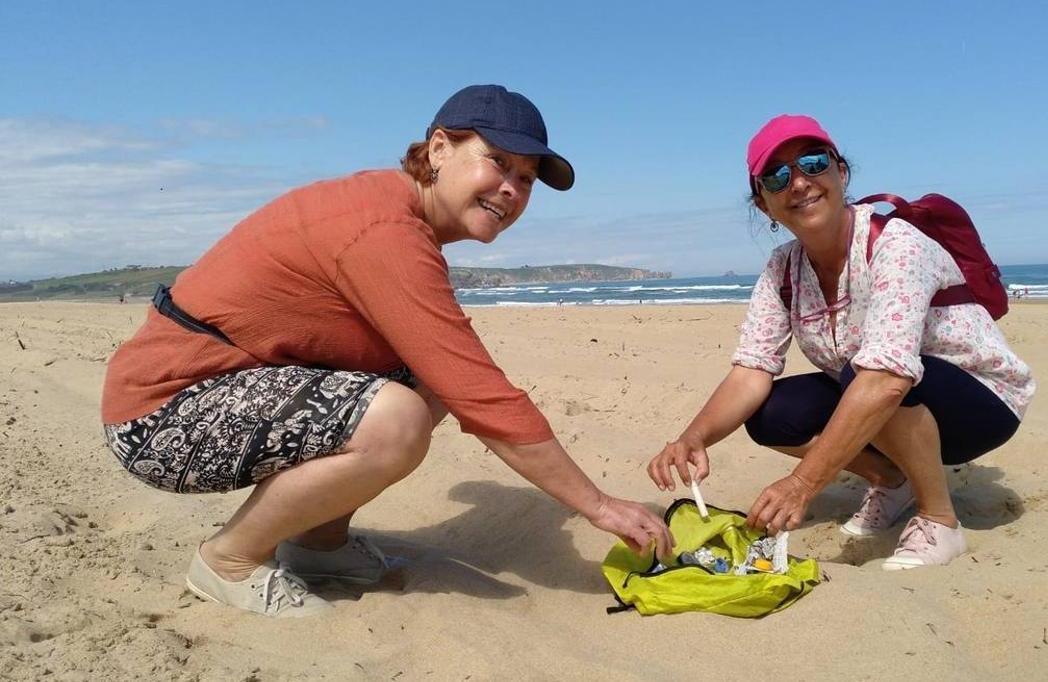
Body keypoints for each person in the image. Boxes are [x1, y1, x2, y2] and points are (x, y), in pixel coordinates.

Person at [101, 84, 674, 617]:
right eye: (499, 161)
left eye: (526, 179)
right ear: (440, 148)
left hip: (221, 393)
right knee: (397, 416)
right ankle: (229, 560)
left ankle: (318, 545)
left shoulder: (398, 219)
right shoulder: (383, 228)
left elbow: (454, 379)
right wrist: (597, 505)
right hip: (161, 417)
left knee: (422, 383)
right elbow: (482, 395)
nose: (512, 189)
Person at [647, 115, 1033, 570]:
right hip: (884, 391)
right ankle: (892, 480)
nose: (799, 183)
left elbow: (889, 377)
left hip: (981, 403)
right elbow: (752, 368)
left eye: (813, 163)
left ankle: (939, 519)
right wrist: (693, 438)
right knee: (772, 413)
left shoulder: (895, 243)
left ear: (841, 173)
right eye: (777, 176)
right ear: (764, 204)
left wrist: (803, 484)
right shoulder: (782, 270)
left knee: (870, 373)